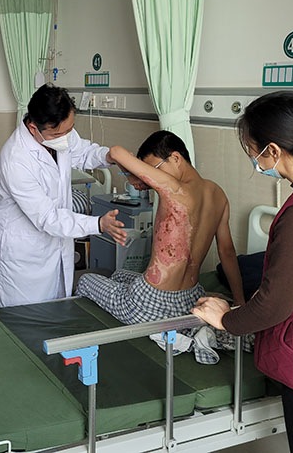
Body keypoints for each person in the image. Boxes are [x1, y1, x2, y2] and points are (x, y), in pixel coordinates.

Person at [192, 91, 293, 453]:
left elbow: (273, 305)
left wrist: (226, 319)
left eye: (253, 151)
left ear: (273, 150)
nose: (255, 160)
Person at [77, 130, 245, 326]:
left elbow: (115, 152)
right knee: (119, 274)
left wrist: (131, 176)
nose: (150, 178)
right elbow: (227, 252)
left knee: (86, 280)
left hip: (147, 304)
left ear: (175, 158)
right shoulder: (218, 194)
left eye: (153, 170)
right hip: (189, 299)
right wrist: (239, 302)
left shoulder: (173, 188)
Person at [0, 84, 127, 308]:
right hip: (23, 252)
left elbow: (82, 152)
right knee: (24, 316)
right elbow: (48, 218)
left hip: (55, 242)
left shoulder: (61, 130)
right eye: (57, 134)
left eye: (69, 130)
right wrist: (98, 224)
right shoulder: (15, 159)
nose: (65, 137)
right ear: (33, 128)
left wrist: (109, 156)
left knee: (58, 309)